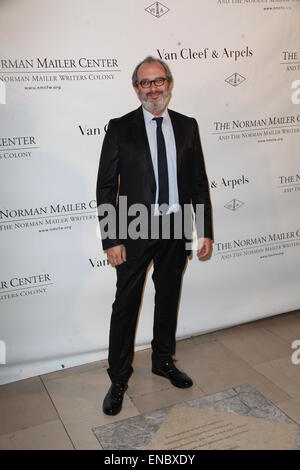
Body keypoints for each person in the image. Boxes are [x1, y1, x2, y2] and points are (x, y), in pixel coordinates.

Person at [96, 56, 213, 415]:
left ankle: (162, 361)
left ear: (169, 84)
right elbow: (105, 187)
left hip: (176, 226)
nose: (152, 88)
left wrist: (203, 231)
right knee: (126, 304)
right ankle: (118, 378)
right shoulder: (120, 127)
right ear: (136, 88)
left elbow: (198, 182)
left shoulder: (188, 126)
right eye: (145, 83)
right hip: (133, 226)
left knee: (168, 297)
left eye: (158, 81)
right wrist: (111, 238)